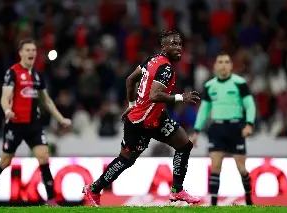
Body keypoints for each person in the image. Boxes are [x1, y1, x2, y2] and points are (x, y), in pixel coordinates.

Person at [83, 30, 201, 206]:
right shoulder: (166, 68)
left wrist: (131, 106)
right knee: (126, 160)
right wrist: (180, 97)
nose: (179, 48)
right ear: (163, 46)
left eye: (180, 44)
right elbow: (154, 95)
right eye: (174, 44)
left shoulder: (152, 60)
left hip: (156, 117)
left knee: (184, 145)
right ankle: (93, 189)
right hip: (140, 123)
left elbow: (130, 80)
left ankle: (177, 191)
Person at [0, 39, 72, 207]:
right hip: (15, 124)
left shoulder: (38, 75)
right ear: (21, 53)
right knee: (6, 161)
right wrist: (7, 110)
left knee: (44, 157)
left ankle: (51, 200)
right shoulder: (12, 72)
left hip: (34, 125)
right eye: (28, 50)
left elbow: (47, 101)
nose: (32, 53)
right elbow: (4, 96)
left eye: (34, 50)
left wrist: (61, 119)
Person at [191, 52, 256, 206]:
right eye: (220, 62)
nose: (223, 65)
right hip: (217, 128)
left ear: (231, 65)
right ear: (215, 66)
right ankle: (213, 204)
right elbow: (204, 110)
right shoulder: (210, 86)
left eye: (227, 62)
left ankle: (249, 200)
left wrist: (249, 124)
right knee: (215, 166)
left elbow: (250, 105)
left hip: (236, 127)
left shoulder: (239, 83)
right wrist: (196, 131)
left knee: (241, 168)